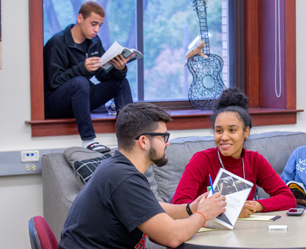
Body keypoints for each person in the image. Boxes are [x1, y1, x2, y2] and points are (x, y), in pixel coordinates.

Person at [58, 102, 227, 249]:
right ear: (144, 141)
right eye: (163, 137)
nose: (167, 143)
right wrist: (203, 214)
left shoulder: (117, 168)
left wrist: (191, 208)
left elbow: (151, 208)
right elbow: (173, 236)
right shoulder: (123, 178)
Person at [172, 87, 296, 217]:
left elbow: (288, 198)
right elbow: (179, 205)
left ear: (246, 132)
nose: (224, 137)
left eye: (232, 130)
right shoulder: (202, 160)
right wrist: (231, 210)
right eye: (219, 131)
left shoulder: (255, 160)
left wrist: (254, 206)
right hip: (207, 230)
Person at [44, 1, 134, 153]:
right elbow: (54, 81)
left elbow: (101, 75)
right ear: (80, 18)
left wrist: (119, 69)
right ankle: (88, 140)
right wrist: (82, 69)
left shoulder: (94, 42)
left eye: (100, 25)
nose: (97, 29)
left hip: (81, 99)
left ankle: (131, 137)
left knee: (121, 82)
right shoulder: (57, 43)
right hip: (56, 104)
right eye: (93, 24)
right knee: (80, 82)